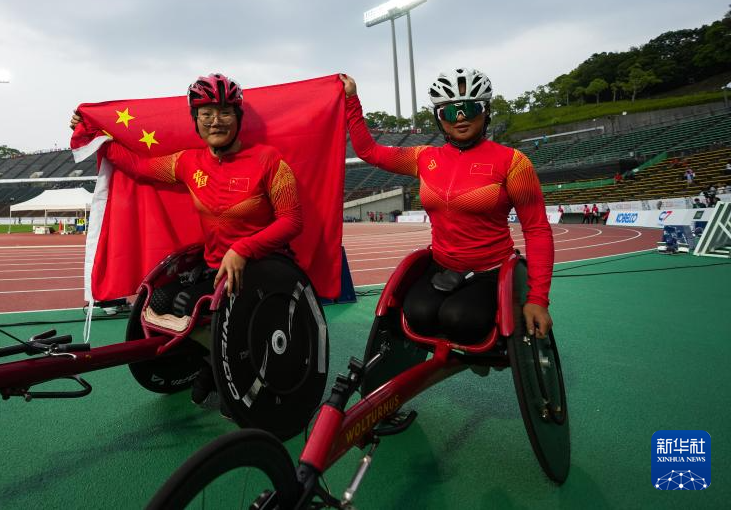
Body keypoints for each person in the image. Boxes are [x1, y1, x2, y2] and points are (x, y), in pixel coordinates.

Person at [70, 73, 303, 409]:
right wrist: (97, 137)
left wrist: (243, 249)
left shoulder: (270, 161)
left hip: (265, 270)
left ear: (238, 118)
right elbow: (138, 166)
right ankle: (211, 359)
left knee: (218, 314)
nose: (216, 121)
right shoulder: (188, 162)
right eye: (206, 114)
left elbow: (292, 221)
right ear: (196, 121)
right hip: (215, 271)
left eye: (225, 112)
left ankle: (228, 362)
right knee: (176, 303)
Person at [341, 70, 555, 348]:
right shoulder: (423, 158)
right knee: (417, 314)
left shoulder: (514, 162)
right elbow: (368, 151)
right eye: (450, 112)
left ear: (486, 111)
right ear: (439, 117)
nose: (461, 118)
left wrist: (537, 299)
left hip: (490, 270)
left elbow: (537, 230)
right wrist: (351, 99)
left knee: (458, 319)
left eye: (470, 108)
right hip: (441, 266)